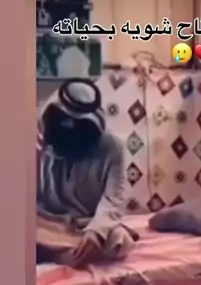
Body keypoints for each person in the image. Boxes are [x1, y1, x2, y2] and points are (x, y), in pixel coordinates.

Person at [36, 78, 137, 268]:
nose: (70, 130)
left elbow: (113, 200)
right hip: (46, 220)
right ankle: (58, 254)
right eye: (64, 123)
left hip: (84, 224)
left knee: (118, 240)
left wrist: (95, 233)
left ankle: (60, 251)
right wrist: (37, 155)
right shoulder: (38, 141)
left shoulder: (112, 148)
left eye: (77, 125)